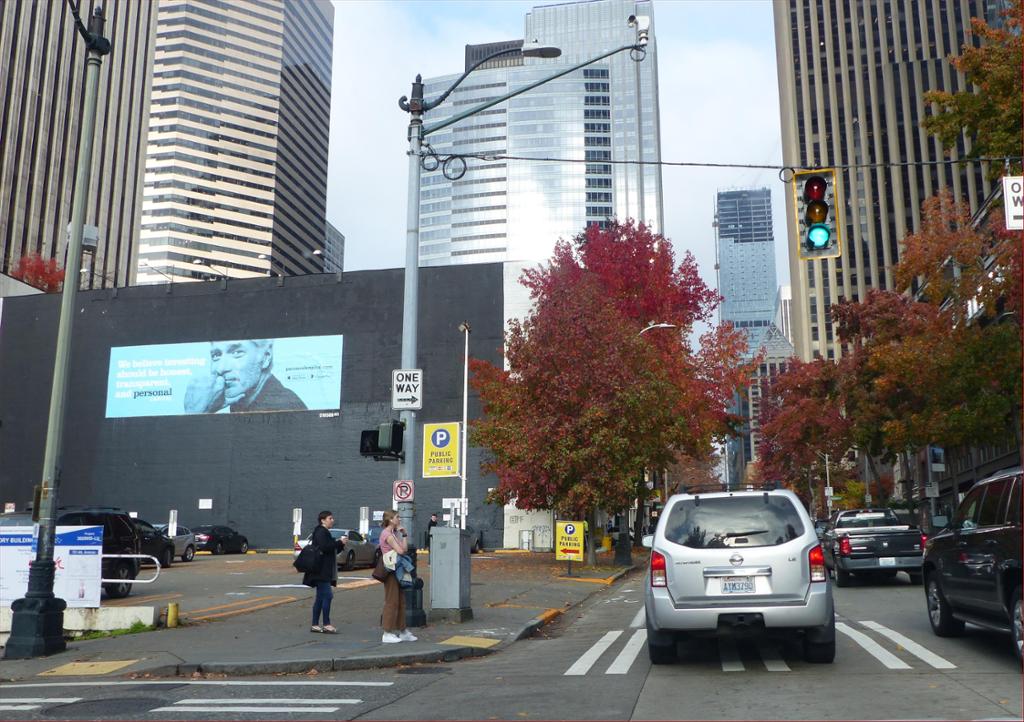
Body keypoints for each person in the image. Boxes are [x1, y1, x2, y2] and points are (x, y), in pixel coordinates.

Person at [184, 339, 307, 413]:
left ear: (265, 358)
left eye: (237, 353)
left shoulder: (282, 405)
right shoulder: (244, 401)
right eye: (216, 355)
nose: (221, 368)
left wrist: (195, 413)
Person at [302, 510, 346, 634]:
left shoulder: (323, 532)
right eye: (330, 518)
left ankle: (315, 624)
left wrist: (340, 544)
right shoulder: (321, 532)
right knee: (327, 595)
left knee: (320, 597)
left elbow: (331, 551)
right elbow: (325, 547)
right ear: (323, 520)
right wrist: (339, 542)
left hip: (322, 570)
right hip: (321, 570)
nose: (332, 520)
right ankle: (326, 624)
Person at [379, 510, 417, 644]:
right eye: (397, 517)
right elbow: (401, 550)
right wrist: (401, 541)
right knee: (392, 601)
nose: (399, 519)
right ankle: (387, 632)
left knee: (400, 601)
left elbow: (404, 549)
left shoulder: (394, 534)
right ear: (390, 520)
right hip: (391, 570)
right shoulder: (387, 534)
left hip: (397, 569)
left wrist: (404, 535)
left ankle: (403, 631)